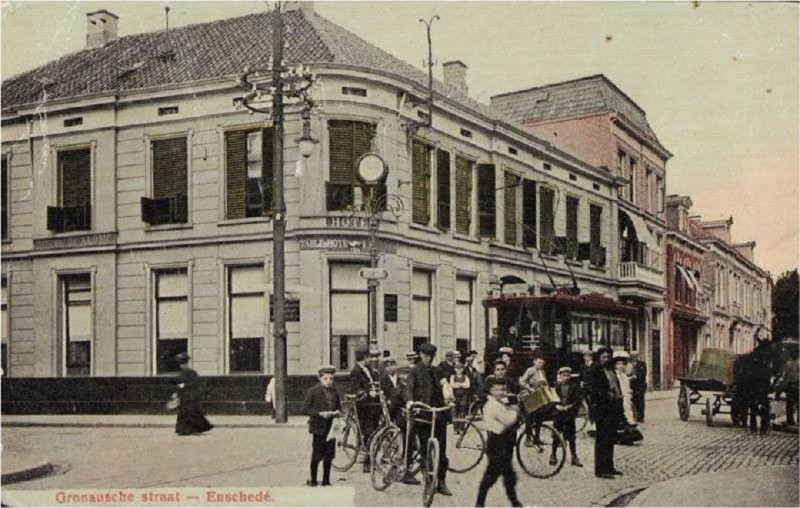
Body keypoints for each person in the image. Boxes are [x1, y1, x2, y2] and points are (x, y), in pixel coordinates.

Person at [402, 343, 452, 496]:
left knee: (442, 451)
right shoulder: (415, 371)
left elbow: (445, 387)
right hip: (423, 414)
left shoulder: (438, 371)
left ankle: (441, 482)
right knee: (425, 450)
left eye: (431, 356)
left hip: (438, 414)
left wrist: (449, 395)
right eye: (426, 356)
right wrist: (410, 401)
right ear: (421, 355)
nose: (428, 359)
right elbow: (408, 388)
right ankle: (429, 481)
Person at [475, 377, 523, 508]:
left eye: (503, 389)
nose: (502, 392)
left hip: (502, 442)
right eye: (498, 389)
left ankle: (514, 502)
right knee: (492, 476)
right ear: (491, 391)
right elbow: (507, 420)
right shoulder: (491, 405)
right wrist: (515, 410)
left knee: (508, 475)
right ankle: (480, 503)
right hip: (496, 442)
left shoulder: (498, 402)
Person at [588, 347, 623, 479]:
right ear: (599, 357)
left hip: (613, 408)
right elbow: (592, 389)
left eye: (609, 357)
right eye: (604, 357)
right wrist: (606, 395)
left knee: (611, 438)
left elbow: (615, 386)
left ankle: (609, 466)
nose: (606, 359)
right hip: (602, 409)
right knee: (602, 439)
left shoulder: (611, 370)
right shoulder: (595, 369)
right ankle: (601, 470)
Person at [303, 365, 341, 487]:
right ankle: (313, 480)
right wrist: (320, 413)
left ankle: (326, 480)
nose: (329, 381)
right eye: (326, 378)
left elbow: (339, 406)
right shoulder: (313, 391)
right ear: (320, 378)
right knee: (316, 455)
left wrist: (337, 412)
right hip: (318, 427)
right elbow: (306, 409)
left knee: (329, 455)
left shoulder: (334, 391)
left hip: (331, 428)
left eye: (331, 378)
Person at [350, 348, 379, 472]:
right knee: (368, 432)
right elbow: (356, 389)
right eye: (369, 357)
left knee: (374, 430)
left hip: (372, 404)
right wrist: (368, 393)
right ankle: (367, 462)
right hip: (363, 406)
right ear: (365, 357)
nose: (371, 359)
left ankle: (371, 458)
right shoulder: (355, 371)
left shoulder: (368, 369)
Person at [174, 352, 214, 436]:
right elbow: (178, 384)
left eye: (184, 364)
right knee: (184, 413)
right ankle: (183, 430)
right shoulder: (181, 373)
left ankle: (191, 429)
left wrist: (185, 385)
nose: (183, 366)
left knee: (192, 413)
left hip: (191, 396)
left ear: (187, 364)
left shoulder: (192, 373)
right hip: (184, 397)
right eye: (181, 364)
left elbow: (196, 383)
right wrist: (177, 392)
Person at [551, 367, 583, 467]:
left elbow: (578, 400)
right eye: (563, 375)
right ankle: (553, 455)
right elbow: (552, 399)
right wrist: (557, 406)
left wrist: (570, 406)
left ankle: (574, 457)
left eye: (567, 375)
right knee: (556, 436)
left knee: (571, 437)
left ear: (570, 376)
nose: (565, 378)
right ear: (560, 376)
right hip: (559, 414)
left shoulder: (575, 386)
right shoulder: (556, 386)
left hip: (569, 415)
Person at [614, 351, 637, 427]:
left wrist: (629, 391)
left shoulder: (624, 374)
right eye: (618, 364)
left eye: (622, 364)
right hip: (618, 393)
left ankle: (629, 419)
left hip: (625, 392)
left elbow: (626, 384)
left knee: (627, 405)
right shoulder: (615, 374)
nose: (620, 366)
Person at [380, 356, 404, 425]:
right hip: (390, 408)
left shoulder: (401, 377)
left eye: (392, 365)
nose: (390, 368)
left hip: (401, 406)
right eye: (387, 366)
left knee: (402, 424)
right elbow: (383, 393)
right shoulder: (384, 380)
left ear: (396, 365)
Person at [450, 362, 471, 432]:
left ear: (462, 369)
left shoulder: (465, 376)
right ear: (455, 369)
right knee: (455, 412)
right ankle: (455, 429)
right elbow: (452, 385)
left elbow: (467, 385)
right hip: (455, 396)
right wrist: (462, 384)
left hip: (464, 396)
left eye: (460, 368)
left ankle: (461, 428)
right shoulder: (453, 376)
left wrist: (458, 384)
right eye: (457, 368)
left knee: (463, 411)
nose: (459, 370)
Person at [579, 350, 596, 432]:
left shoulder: (594, 365)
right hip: (586, 388)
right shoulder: (582, 366)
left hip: (593, 388)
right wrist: (581, 382)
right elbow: (581, 376)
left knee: (593, 405)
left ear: (591, 357)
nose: (587, 358)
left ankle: (594, 423)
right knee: (588, 405)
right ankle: (590, 421)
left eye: (588, 356)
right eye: (585, 356)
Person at [628, 354, 648, 423]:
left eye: (635, 357)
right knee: (633, 401)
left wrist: (635, 377)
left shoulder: (642, 364)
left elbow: (643, 374)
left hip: (640, 386)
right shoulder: (629, 364)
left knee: (640, 402)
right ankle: (635, 417)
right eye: (632, 357)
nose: (634, 358)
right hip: (632, 386)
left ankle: (641, 417)